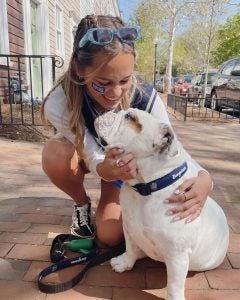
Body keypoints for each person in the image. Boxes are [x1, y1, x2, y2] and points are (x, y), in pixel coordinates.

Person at [41, 14, 213, 247]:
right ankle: (81, 204)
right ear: (79, 68)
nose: (114, 93)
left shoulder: (145, 95)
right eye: (102, 83)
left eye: (124, 81)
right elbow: (91, 153)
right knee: (55, 153)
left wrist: (204, 178)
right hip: (95, 159)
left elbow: (171, 147)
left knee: (110, 236)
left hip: (126, 171)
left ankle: (113, 198)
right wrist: (106, 169)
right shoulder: (58, 102)